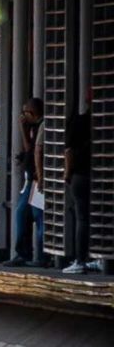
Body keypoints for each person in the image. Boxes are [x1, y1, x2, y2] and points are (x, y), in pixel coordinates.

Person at [5, 98, 46, 267]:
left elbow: (37, 151)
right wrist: (23, 129)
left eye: (25, 113)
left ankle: (42, 257)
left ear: (32, 113)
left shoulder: (43, 126)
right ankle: (23, 253)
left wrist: (41, 176)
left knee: (39, 216)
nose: (23, 116)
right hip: (31, 180)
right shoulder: (33, 127)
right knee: (22, 213)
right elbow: (29, 149)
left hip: (38, 179)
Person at [63, 87, 95, 274]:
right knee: (103, 216)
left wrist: (67, 174)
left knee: (82, 218)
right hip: (103, 177)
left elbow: (69, 151)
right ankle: (101, 257)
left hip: (81, 175)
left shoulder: (79, 121)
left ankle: (80, 260)